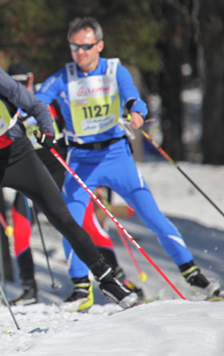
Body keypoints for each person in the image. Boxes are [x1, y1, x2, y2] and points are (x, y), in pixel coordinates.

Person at [0, 42, 139, 315]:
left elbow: (35, 105)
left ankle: (107, 279)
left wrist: (47, 131)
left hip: (18, 157)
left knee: (61, 217)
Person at [35, 17, 220, 305]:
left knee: (152, 216)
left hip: (115, 156)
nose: (79, 53)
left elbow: (133, 97)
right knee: (69, 220)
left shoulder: (113, 70)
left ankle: (193, 273)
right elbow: (38, 101)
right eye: (74, 47)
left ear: (99, 45)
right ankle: (81, 286)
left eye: (85, 46)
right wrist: (39, 121)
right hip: (81, 158)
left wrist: (136, 112)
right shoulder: (64, 76)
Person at [6, 63, 143, 309]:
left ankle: (119, 278)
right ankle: (29, 288)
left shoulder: (48, 97)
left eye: (24, 81)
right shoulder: (6, 101)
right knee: (20, 224)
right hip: (31, 170)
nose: (20, 87)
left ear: (32, 79)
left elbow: (75, 128)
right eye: (14, 82)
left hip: (60, 166)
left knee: (85, 222)